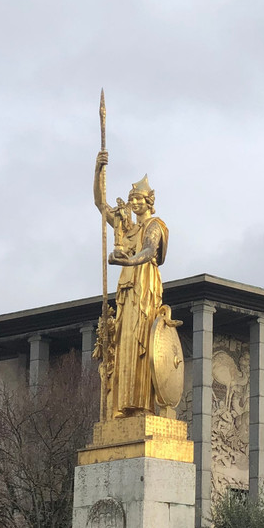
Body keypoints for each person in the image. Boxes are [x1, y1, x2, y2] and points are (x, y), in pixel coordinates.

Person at [93, 149, 171, 418]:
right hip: (126, 292)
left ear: (149, 202)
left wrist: (125, 262)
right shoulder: (126, 228)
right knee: (124, 345)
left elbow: (149, 252)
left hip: (144, 287)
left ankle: (141, 406)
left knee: (141, 343)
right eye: (130, 199)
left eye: (138, 198)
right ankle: (122, 406)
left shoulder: (155, 226)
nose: (133, 202)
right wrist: (98, 171)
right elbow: (101, 204)